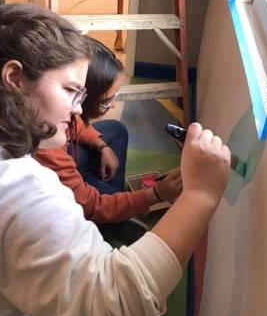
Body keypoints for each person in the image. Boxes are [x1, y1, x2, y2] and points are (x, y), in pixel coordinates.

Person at [0, 2, 230, 316]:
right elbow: (115, 308)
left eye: (83, 96)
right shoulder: (20, 189)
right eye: (70, 91)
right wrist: (199, 195)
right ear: (14, 78)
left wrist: (102, 146)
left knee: (109, 139)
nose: (76, 111)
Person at [35, 37, 182, 233]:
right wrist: (155, 193)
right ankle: (112, 218)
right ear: (83, 99)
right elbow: (91, 205)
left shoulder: (64, 111)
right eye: (106, 100)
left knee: (115, 131)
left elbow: (77, 124)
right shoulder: (48, 144)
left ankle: (115, 202)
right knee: (97, 205)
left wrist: (102, 146)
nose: (113, 105)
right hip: (71, 193)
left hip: (68, 160)